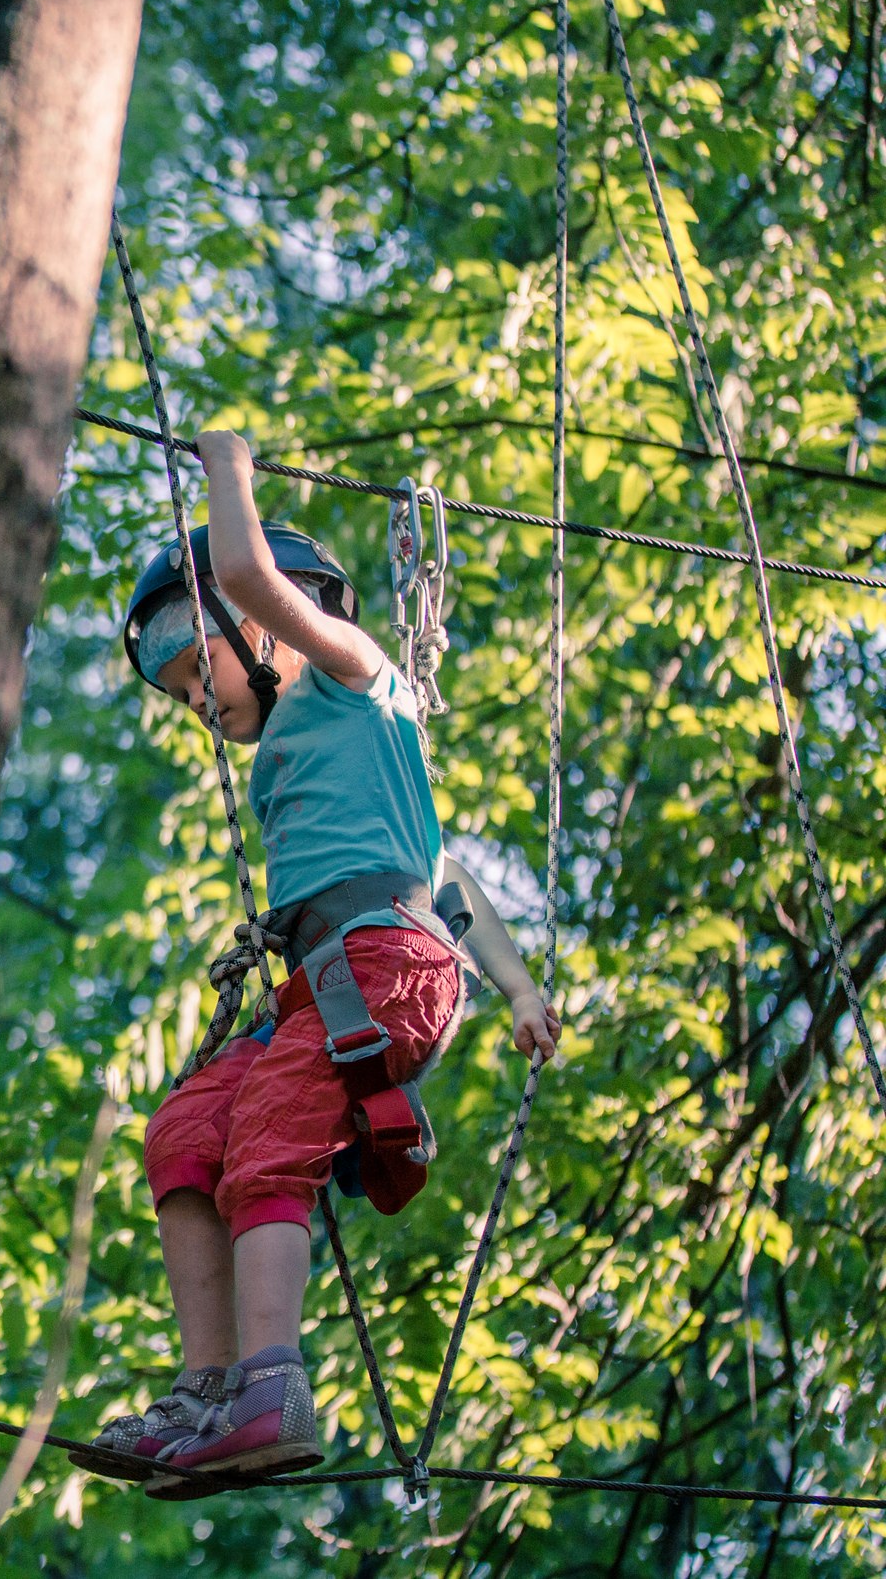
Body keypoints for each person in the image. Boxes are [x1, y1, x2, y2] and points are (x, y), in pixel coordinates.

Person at [77, 430, 560, 1500]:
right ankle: (206, 1388)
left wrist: (225, 469)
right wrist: (517, 987)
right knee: (186, 1130)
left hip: (380, 968)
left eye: (196, 668)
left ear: (268, 627)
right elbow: (445, 877)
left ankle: (270, 1387)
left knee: (264, 1148)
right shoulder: (307, 756)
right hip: (331, 978)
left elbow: (245, 571)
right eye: (175, 696)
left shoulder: (355, 680)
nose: (196, 705)